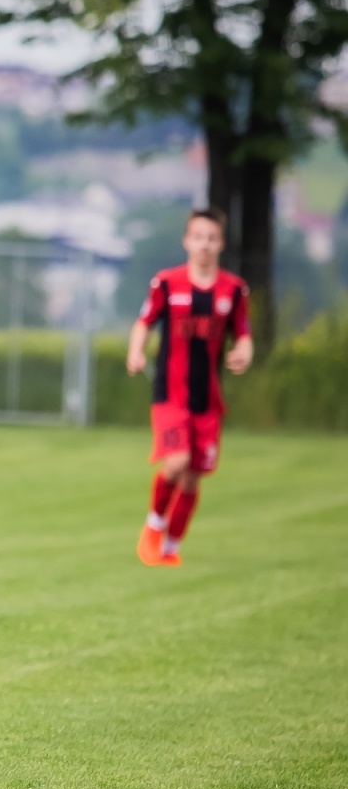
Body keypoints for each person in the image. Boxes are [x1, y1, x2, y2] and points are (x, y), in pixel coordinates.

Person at [126, 208, 253, 566]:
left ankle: (171, 547)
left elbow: (243, 333)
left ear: (221, 244)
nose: (205, 245)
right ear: (186, 241)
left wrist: (243, 352)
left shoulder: (233, 290)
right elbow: (143, 322)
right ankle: (153, 527)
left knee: (194, 476)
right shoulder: (166, 283)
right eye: (198, 237)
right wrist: (136, 352)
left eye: (212, 238)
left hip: (208, 398)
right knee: (176, 461)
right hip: (170, 393)